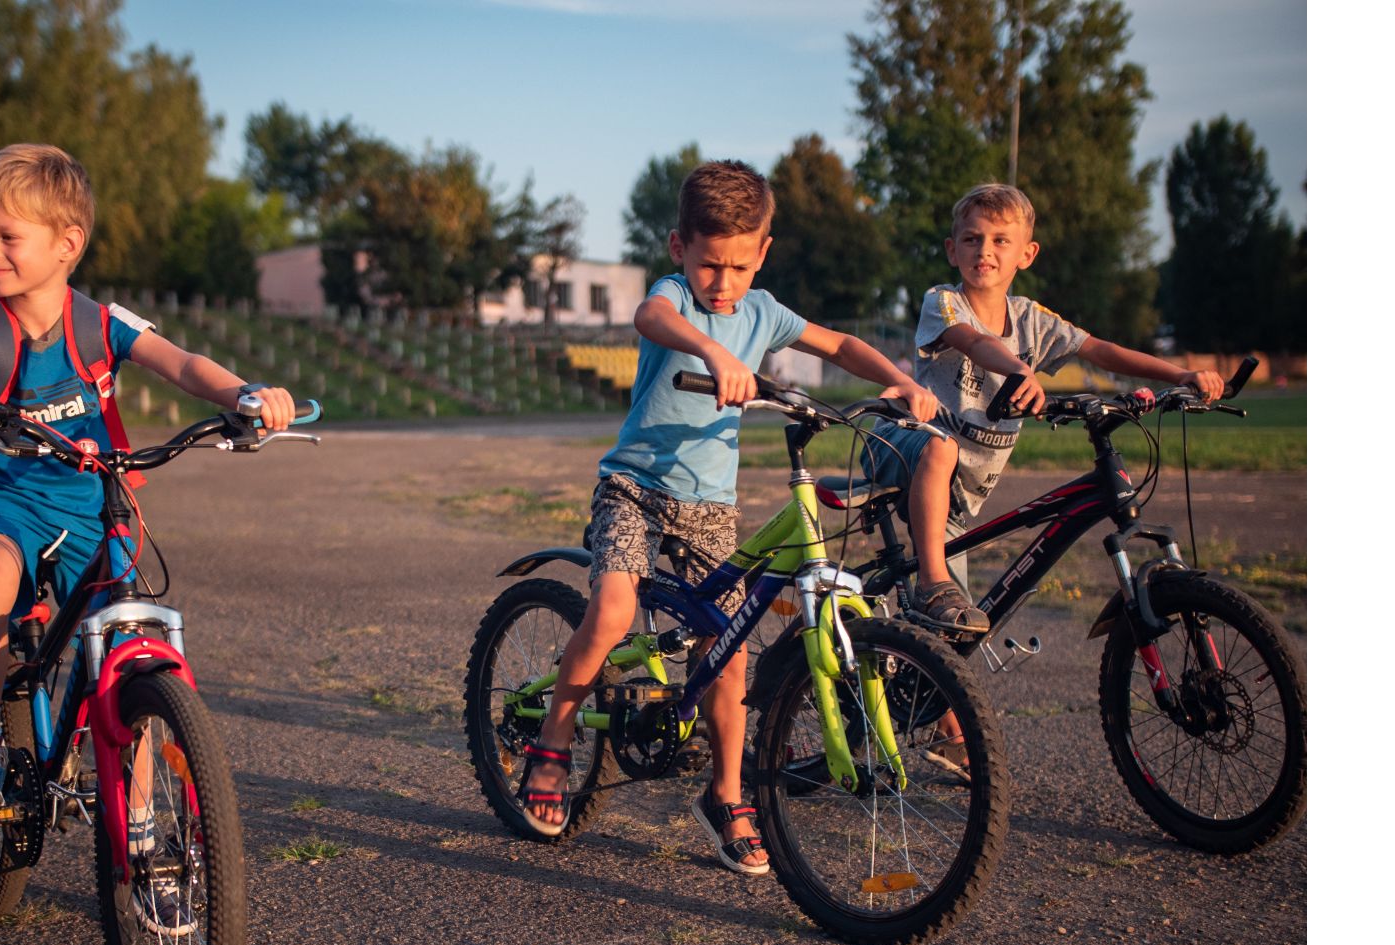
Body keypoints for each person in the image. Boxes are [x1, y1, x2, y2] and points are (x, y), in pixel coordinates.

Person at [0, 144, 297, 930]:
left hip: (92, 506)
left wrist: (246, 394)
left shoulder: (101, 323)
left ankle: (144, 836)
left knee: (129, 658)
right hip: (6, 502)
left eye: (7, 237)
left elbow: (181, 364)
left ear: (67, 243)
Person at [517, 160, 938, 874]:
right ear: (679, 247)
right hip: (634, 488)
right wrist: (711, 350)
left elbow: (838, 344)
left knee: (730, 650)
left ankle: (725, 793)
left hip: (709, 506)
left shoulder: (764, 310)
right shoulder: (675, 296)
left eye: (739, 266)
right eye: (710, 263)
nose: (723, 282)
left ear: (763, 253)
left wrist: (899, 378)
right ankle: (553, 743)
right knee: (613, 612)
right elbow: (650, 317)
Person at [873, 182, 1224, 772]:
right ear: (952, 250)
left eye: (1000, 241)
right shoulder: (944, 302)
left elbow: (1099, 349)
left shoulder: (1032, 320)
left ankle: (939, 724)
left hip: (959, 497)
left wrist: (1180, 374)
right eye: (972, 239)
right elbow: (972, 342)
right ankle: (931, 584)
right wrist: (1019, 370)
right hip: (903, 453)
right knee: (940, 458)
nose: (985, 250)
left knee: (955, 632)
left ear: (1026, 254)